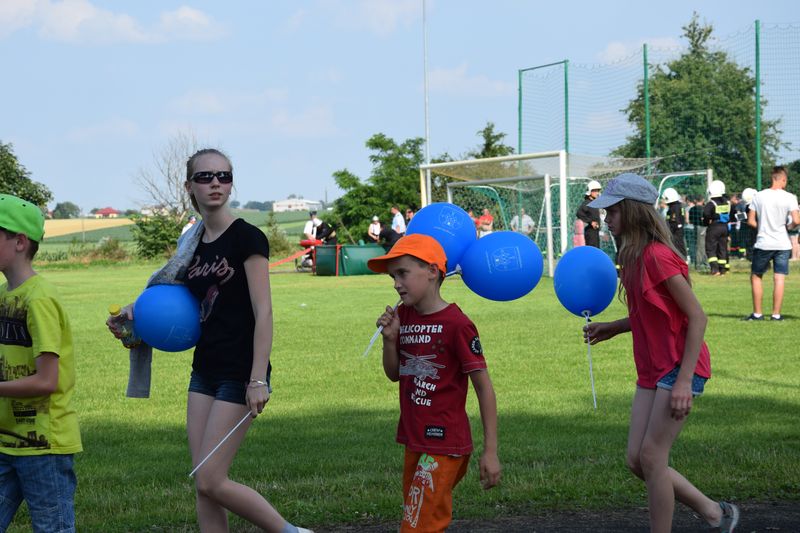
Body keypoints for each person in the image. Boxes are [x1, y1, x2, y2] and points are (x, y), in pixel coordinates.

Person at [106, 149, 313, 533]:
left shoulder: (248, 238)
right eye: (204, 177)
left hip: (240, 370)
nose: (215, 182)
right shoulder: (193, 241)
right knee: (204, 485)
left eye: (223, 175)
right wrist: (135, 311)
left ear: (231, 182)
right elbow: (176, 289)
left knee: (210, 478)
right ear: (189, 187)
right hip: (204, 368)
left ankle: (289, 531)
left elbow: (263, 311)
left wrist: (257, 378)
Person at [582, 174, 739, 533]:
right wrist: (613, 327)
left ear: (634, 212)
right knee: (637, 460)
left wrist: (684, 381)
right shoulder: (632, 256)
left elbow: (697, 317)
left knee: (652, 457)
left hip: (679, 367)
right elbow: (650, 313)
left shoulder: (656, 256)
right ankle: (714, 512)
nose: (607, 219)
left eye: (613, 211)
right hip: (653, 368)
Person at [368, 234, 501, 532]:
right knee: (418, 519)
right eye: (393, 277)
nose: (396, 284)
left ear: (431, 271)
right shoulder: (404, 316)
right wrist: (390, 340)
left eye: (402, 273)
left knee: (418, 525)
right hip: (414, 438)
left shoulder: (458, 324)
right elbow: (394, 374)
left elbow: (484, 387)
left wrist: (490, 450)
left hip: (445, 443)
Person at [0, 194, 82, 532]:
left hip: (44, 446)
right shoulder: (6, 296)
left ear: (19, 241)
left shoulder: (40, 299)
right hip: (6, 441)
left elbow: (47, 381)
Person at [744, 166, 800, 321]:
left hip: (764, 242)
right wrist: (787, 228)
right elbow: (796, 220)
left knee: (756, 276)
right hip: (783, 243)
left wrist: (763, 227)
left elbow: (750, 221)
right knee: (779, 277)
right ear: (783, 179)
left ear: (772, 178)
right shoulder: (790, 197)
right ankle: (776, 314)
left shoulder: (759, 196)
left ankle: (757, 313)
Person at [703, 180, 731, 276]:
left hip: (714, 227)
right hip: (725, 227)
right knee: (722, 248)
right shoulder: (727, 203)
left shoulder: (711, 204)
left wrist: (707, 221)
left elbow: (706, 215)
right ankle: (723, 269)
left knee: (710, 248)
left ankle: (715, 270)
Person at [662, 188, 687, 260]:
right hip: (677, 230)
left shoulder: (674, 207)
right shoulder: (677, 206)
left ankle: (681, 260)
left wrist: (669, 230)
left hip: (675, 231)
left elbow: (674, 221)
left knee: (677, 246)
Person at [576, 180, 602, 247]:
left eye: (598, 191)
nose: (597, 193)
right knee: (593, 250)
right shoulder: (587, 203)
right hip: (590, 232)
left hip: (596, 231)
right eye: (595, 191)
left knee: (597, 250)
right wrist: (591, 222)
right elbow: (579, 213)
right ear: (590, 192)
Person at [687, 195, 707, 267]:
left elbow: (690, 220)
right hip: (702, 227)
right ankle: (700, 263)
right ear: (702, 200)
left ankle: (698, 261)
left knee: (696, 245)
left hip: (694, 227)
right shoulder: (703, 209)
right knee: (701, 245)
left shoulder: (692, 209)